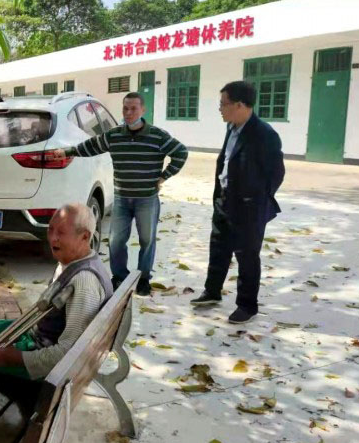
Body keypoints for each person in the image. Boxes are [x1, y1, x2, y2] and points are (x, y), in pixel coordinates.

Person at [0, 203, 113, 380]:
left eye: (61, 233)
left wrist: (15, 358)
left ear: (84, 237)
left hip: (45, 360)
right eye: (51, 230)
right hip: (38, 334)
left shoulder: (85, 282)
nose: (53, 238)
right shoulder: (73, 261)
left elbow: (69, 352)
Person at [54, 94, 188, 296]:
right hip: (122, 198)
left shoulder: (158, 136)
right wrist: (67, 152)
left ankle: (143, 279)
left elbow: (181, 153)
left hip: (147, 199)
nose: (128, 113)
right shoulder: (114, 135)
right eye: (125, 108)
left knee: (147, 240)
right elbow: (91, 146)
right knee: (116, 241)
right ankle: (119, 277)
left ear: (143, 110)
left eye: (133, 108)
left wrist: (163, 177)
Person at [191, 81, 285, 324]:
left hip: (248, 208)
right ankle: (212, 292)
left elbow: (276, 174)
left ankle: (247, 305)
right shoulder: (232, 128)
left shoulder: (265, 135)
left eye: (224, 104)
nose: (220, 109)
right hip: (224, 200)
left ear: (241, 105)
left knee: (247, 256)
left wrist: (254, 200)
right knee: (218, 248)